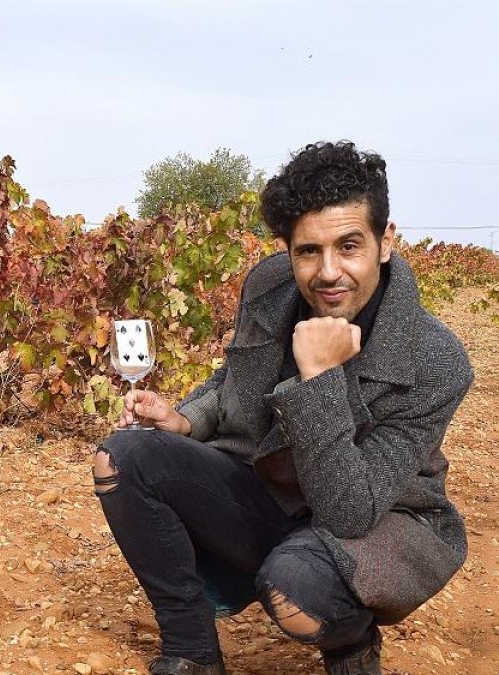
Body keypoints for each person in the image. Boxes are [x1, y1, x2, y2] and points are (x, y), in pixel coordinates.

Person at [92, 141, 473, 675]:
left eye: (349, 246)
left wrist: (319, 376)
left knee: (295, 591)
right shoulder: (270, 286)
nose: (328, 271)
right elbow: (234, 377)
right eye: (308, 251)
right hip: (271, 491)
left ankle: (351, 641)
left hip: (374, 521)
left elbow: (349, 510)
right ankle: (191, 651)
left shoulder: (436, 359)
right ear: (287, 249)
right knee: (124, 457)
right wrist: (186, 419)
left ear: (386, 242)